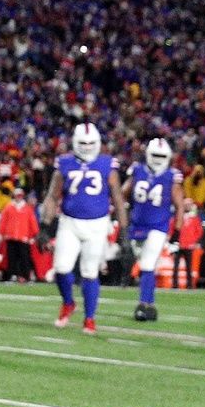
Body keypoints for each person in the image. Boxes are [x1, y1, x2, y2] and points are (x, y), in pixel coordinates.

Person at [43, 122, 124, 333]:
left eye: (91, 143)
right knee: (61, 267)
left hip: (98, 223)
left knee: (90, 271)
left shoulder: (107, 164)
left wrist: (123, 228)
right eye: (83, 143)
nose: (87, 147)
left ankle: (89, 318)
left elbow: (117, 197)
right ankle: (68, 302)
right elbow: (52, 196)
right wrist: (45, 225)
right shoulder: (65, 163)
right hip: (69, 222)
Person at [125, 138, 182, 321]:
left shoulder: (171, 176)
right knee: (145, 265)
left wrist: (177, 232)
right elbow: (122, 193)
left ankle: (143, 304)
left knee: (148, 264)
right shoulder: (137, 171)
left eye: (161, 156)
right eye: (155, 155)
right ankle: (150, 306)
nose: (158, 159)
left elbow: (179, 205)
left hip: (158, 226)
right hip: (137, 226)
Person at [0, 188, 39, 282]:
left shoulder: (27, 208)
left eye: (20, 195)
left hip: (23, 237)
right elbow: (3, 221)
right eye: (17, 195)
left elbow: (32, 222)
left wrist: (34, 234)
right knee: (11, 258)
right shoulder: (9, 207)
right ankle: (11, 275)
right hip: (11, 236)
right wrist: (1, 233)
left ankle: (25, 276)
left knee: (24, 258)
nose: (19, 197)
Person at [172, 199, 203, 290]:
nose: (187, 207)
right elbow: (172, 228)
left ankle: (189, 284)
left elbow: (199, 232)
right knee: (175, 266)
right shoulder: (178, 217)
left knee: (189, 266)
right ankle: (175, 284)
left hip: (189, 245)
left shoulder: (194, 218)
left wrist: (193, 241)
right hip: (178, 244)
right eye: (185, 205)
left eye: (189, 205)